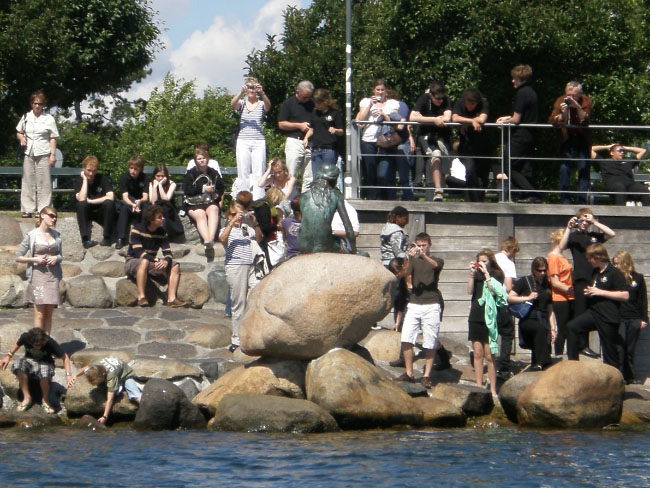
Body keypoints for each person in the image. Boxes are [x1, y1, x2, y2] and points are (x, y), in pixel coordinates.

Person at [560, 208, 615, 358]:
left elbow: (611, 234)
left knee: (596, 310)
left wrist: (594, 221)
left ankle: (587, 344)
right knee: (580, 312)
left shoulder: (593, 236)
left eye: (586, 220)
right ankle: (581, 345)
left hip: (596, 279)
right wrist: (568, 227)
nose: (584, 223)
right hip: (581, 279)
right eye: (581, 220)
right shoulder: (574, 236)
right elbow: (562, 246)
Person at [394, 233, 444, 389]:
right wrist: (410, 258)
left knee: (430, 340)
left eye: (424, 245)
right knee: (406, 338)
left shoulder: (437, 260)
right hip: (415, 302)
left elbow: (435, 266)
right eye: (419, 245)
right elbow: (406, 273)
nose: (421, 248)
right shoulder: (414, 260)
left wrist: (423, 255)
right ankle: (409, 373)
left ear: (429, 245)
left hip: (432, 304)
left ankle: (426, 375)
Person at [566, 244, 629, 368]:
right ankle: (573, 365)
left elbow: (625, 295)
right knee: (571, 327)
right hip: (594, 313)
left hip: (608, 316)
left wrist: (601, 292)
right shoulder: (595, 272)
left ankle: (614, 379)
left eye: (590, 258)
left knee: (609, 351)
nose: (588, 260)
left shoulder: (614, 273)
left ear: (598, 257)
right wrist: (590, 292)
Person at [219, 202, 263, 353]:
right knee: (239, 302)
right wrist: (232, 223)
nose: (238, 217)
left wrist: (255, 223)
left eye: (239, 214)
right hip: (236, 266)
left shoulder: (246, 229)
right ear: (229, 216)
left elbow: (259, 239)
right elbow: (222, 239)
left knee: (257, 294)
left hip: (251, 266)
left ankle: (253, 332)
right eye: (233, 214)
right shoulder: (226, 229)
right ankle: (236, 339)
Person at [125, 204, 186, 308]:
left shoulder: (162, 233)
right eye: (159, 217)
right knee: (144, 261)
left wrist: (166, 261)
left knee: (175, 265)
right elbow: (139, 253)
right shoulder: (137, 229)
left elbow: (167, 252)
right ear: (151, 220)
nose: (163, 218)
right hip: (133, 261)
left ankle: (171, 299)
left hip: (150, 261)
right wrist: (156, 259)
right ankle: (141, 297)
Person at [0, 327, 73, 414]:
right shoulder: (25, 337)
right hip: (29, 360)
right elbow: (17, 345)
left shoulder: (50, 342)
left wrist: (68, 375)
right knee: (18, 365)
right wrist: (8, 357)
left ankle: (45, 400)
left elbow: (65, 358)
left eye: (41, 345)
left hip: (46, 363)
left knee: (44, 373)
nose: (39, 347)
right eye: (36, 345)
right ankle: (27, 398)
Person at [496, 65, 539, 203]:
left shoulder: (522, 93)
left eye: (514, 79)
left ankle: (531, 192)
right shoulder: (531, 91)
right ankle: (526, 194)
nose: (513, 81)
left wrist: (504, 121)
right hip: (530, 134)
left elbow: (516, 119)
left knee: (508, 164)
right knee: (524, 166)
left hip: (521, 135)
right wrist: (507, 118)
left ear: (521, 79)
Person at [16, 207, 62, 335]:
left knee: (49, 313)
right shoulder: (32, 235)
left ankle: (47, 343)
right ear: (42, 215)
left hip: (52, 276)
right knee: (39, 313)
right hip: (38, 276)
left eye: (55, 216)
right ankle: (38, 344)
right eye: (51, 216)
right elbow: (18, 257)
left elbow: (60, 256)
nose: (54, 219)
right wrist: (34, 259)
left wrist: (55, 258)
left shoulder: (57, 235)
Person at [467, 249, 507, 397]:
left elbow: (493, 292)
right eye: (480, 261)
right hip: (476, 315)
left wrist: (486, 274)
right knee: (477, 353)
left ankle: (492, 389)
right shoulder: (476, 274)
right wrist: (472, 274)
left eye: (485, 261)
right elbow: (469, 291)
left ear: (490, 261)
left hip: (489, 316)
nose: (482, 264)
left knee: (490, 355)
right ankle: (478, 385)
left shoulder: (497, 274)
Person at [16, 90, 59, 219]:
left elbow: (53, 137)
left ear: (43, 105)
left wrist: (53, 155)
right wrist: (21, 139)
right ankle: (27, 209)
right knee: (28, 180)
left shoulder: (48, 119)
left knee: (44, 181)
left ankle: (43, 209)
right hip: (29, 152)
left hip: (43, 152)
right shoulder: (26, 117)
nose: (37, 106)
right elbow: (19, 131)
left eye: (40, 103)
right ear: (31, 104)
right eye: (35, 103)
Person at [508, 257, 557, 370]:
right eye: (539, 270)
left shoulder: (547, 285)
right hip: (528, 319)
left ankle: (537, 364)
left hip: (543, 319)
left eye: (545, 270)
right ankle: (545, 362)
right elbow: (510, 298)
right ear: (533, 270)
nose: (542, 273)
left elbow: (550, 309)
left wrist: (553, 328)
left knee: (542, 334)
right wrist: (527, 298)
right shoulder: (525, 281)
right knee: (539, 329)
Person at [549, 81, 593, 205]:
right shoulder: (561, 101)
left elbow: (585, 121)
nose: (571, 98)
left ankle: (581, 201)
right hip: (567, 138)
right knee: (565, 168)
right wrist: (563, 113)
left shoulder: (586, 101)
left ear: (580, 94)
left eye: (574, 95)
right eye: (569, 95)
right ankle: (565, 200)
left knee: (584, 168)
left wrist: (577, 107)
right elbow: (552, 120)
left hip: (582, 137)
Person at [298, 164, 356, 254]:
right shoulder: (336, 195)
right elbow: (348, 227)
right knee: (341, 242)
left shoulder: (303, 196)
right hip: (324, 246)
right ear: (334, 179)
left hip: (303, 245)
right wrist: (354, 250)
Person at [355, 79, 399, 199]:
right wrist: (369, 105)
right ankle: (372, 198)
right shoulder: (365, 102)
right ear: (373, 90)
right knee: (370, 172)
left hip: (386, 141)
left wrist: (384, 115)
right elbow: (360, 122)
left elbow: (395, 121)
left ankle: (385, 198)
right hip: (368, 141)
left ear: (386, 91)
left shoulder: (392, 103)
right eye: (378, 90)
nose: (380, 92)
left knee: (383, 173)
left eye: (382, 90)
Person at [410, 81, 453, 202]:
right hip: (427, 136)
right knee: (436, 156)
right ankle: (438, 190)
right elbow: (412, 117)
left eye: (441, 98)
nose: (440, 101)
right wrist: (434, 119)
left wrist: (423, 118)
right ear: (431, 95)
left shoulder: (447, 100)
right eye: (437, 98)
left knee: (444, 164)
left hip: (443, 136)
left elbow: (447, 117)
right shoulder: (424, 99)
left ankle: (440, 193)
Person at [231, 77, 271, 200]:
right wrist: (241, 92)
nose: (251, 90)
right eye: (249, 87)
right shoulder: (242, 104)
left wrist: (262, 93)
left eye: (253, 87)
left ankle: (258, 199)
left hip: (258, 141)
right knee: (243, 171)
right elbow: (233, 104)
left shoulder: (261, 104)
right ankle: (244, 199)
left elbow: (268, 107)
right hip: (243, 140)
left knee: (259, 170)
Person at [182, 147, 225, 260]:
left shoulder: (213, 172)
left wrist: (217, 194)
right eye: (199, 159)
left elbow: (221, 187)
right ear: (196, 161)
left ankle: (210, 240)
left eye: (203, 158)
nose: (202, 160)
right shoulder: (191, 173)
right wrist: (203, 189)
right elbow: (187, 190)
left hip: (209, 201)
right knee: (200, 215)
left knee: (214, 210)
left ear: (207, 159)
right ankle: (207, 240)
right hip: (193, 203)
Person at [72, 356, 141, 425]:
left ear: (103, 375)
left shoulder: (111, 377)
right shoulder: (95, 365)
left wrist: (105, 417)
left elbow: (110, 399)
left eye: (96, 381)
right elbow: (86, 368)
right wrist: (76, 376)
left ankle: (121, 386)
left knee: (134, 395)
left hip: (125, 375)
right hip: (115, 367)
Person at [613, 251, 648, 384]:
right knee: (620, 348)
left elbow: (642, 300)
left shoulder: (638, 278)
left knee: (630, 348)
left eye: (618, 264)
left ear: (625, 263)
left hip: (634, 318)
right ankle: (620, 376)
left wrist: (644, 320)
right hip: (619, 317)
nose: (615, 266)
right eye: (614, 264)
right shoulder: (614, 279)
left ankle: (631, 376)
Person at [452, 88, 491, 202]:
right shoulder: (460, 103)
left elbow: (482, 119)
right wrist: (472, 122)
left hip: (483, 146)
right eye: (467, 104)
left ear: (477, 102)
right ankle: (471, 200)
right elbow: (454, 118)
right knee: (470, 169)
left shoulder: (484, 103)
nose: (469, 107)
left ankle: (479, 201)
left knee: (482, 175)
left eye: (472, 105)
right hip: (466, 147)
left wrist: (466, 123)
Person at [278, 80, 315, 192]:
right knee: (291, 175)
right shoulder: (288, 104)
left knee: (309, 178)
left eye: (309, 97)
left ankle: (306, 204)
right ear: (297, 92)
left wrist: (308, 136)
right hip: (294, 141)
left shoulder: (313, 104)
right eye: (304, 97)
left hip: (310, 143)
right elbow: (281, 124)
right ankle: (288, 203)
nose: (307, 99)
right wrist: (299, 126)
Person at [74, 156, 115, 248]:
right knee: (81, 205)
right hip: (86, 212)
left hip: (101, 210)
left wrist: (92, 201)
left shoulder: (103, 179)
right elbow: (81, 198)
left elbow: (111, 196)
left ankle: (107, 238)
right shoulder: (78, 181)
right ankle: (85, 239)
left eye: (94, 171)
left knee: (109, 203)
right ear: (83, 169)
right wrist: (85, 180)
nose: (91, 173)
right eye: (88, 170)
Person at [303, 88, 343, 181]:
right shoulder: (314, 113)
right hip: (316, 150)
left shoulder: (334, 113)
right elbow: (312, 128)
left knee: (327, 178)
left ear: (325, 102)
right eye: (315, 103)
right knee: (316, 179)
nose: (316, 105)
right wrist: (306, 138)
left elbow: (341, 131)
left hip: (329, 150)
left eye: (318, 103)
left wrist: (335, 130)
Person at [494, 237, 519, 379]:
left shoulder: (493, 259)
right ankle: (503, 368)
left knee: (490, 331)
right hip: (502, 301)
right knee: (507, 334)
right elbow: (508, 287)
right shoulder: (509, 263)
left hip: (489, 300)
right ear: (513, 249)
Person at [547, 229, 575, 357]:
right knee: (563, 329)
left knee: (569, 328)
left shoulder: (562, 257)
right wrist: (569, 290)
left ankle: (570, 355)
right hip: (560, 298)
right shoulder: (553, 257)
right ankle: (558, 356)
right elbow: (554, 281)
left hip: (569, 297)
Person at [386, 89, 415, 201]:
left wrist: (385, 117)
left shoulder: (401, 105)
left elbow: (401, 126)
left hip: (401, 143)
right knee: (389, 176)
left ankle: (409, 200)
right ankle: (391, 200)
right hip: (389, 145)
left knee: (404, 177)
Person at [116, 156, 149, 249]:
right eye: (131, 168)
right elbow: (125, 196)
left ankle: (144, 237)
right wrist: (133, 204)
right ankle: (121, 238)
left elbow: (145, 197)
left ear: (140, 169)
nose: (133, 171)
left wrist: (139, 202)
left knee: (146, 209)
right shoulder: (124, 177)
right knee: (123, 209)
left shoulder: (145, 178)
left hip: (140, 202)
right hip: (129, 202)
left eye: (135, 169)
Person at [148, 164, 184, 240]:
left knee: (163, 208)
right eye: (158, 176)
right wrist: (155, 187)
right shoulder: (151, 184)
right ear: (154, 176)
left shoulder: (172, 184)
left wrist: (160, 186)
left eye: (162, 176)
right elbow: (153, 201)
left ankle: (163, 234)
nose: (160, 178)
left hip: (168, 207)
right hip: (156, 207)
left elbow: (166, 199)